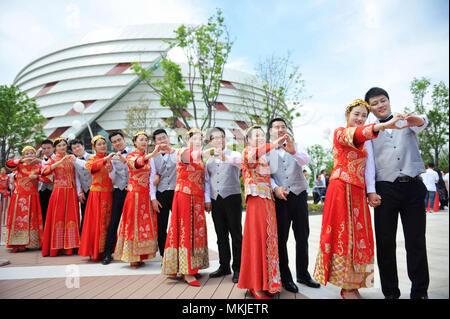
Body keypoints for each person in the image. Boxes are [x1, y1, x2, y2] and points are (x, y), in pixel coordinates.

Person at [313, 99, 405, 299]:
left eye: (364, 116)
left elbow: (368, 162)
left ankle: (353, 284)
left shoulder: (365, 140)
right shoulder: (341, 133)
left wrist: (370, 191)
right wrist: (384, 125)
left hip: (357, 191)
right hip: (341, 189)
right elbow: (357, 133)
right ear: (347, 115)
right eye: (356, 114)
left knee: (359, 237)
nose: (360, 118)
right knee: (344, 236)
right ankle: (345, 287)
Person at [365, 87, 430, 299]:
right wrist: (371, 191)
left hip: (412, 186)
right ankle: (390, 293)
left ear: (389, 101)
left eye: (383, 100)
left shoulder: (405, 120)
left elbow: (423, 123)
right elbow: (369, 165)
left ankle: (420, 292)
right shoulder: (370, 131)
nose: (380, 105)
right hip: (385, 189)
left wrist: (416, 118)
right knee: (385, 244)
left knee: (416, 241)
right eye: (375, 103)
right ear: (370, 109)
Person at [266, 118, 320, 293]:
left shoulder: (297, 145)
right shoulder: (266, 152)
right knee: (281, 239)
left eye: (283, 126)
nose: (280, 129)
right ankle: (285, 277)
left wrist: (293, 151)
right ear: (270, 131)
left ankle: (303, 274)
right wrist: (275, 188)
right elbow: (267, 176)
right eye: (276, 127)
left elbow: (305, 161)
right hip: (281, 199)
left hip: (299, 195)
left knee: (302, 236)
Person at [237, 125, 286, 299]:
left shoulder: (264, 159)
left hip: (268, 201)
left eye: (261, 135)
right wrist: (273, 144)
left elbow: (269, 177)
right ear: (248, 140)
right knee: (256, 239)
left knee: (268, 239)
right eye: (255, 135)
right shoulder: (247, 153)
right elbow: (253, 156)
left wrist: (278, 188)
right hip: (256, 201)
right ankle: (254, 284)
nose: (259, 137)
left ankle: (267, 282)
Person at [161, 128, 210, 287]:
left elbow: (204, 179)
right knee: (185, 230)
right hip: (184, 195)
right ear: (188, 140)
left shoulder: (201, 158)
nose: (198, 142)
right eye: (194, 139)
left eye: (200, 139)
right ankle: (186, 271)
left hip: (197, 197)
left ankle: (194, 266)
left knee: (197, 231)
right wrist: (204, 152)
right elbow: (190, 157)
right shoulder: (182, 152)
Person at [114, 131, 162, 268]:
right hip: (134, 195)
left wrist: (157, 175)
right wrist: (151, 155)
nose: (144, 142)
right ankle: (132, 256)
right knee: (133, 225)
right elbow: (137, 163)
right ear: (134, 142)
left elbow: (153, 172)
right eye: (141, 139)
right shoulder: (131, 156)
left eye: (146, 140)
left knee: (144, 225)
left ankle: (142, 254)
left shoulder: (148, 157)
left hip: (146, 195)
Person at [204, 127, 243, 283]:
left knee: (236, 234)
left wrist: (226, 158)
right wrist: (207, 199)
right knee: (221, 235)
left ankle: (238, 268)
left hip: (232, 197)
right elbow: (207, 181)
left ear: (225, 139)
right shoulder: (209, 160)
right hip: (216, 199)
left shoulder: (235, 155)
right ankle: (224, 266)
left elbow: (241, 164)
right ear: (210, 141)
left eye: (222, 137)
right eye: (215, 138)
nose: (219, 140)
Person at [41, 138, 81, 257]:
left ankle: (71, 247)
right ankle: (57, 247)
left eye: (64, 145)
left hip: (71, 192)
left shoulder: (71, 158)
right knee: (58, 218)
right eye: (59, 146)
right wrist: (59, 162)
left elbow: (77, 174)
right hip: (59, 192)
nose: (62, 147)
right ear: (55, 148)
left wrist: (79, 191)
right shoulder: (52, 159)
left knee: (71, 217)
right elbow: (44, 172)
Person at [79, 136, 115, 261]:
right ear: (94, 147)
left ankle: (107, 250)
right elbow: (93, 168)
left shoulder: (112, 158)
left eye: (104, 143)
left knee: (109, 222)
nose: (103, 146)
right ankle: (96, 250)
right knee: (97, 222)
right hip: (97, 195)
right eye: (99, 144)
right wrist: (106, 159)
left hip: (110, 194)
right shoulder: (92, 159)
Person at [5, 146, 44, 252]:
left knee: (32, 221)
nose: (29, 155)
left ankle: (31, 244)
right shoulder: (19, 165)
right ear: (23, 156)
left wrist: (37, 177)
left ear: (35, 155)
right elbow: (8, 164)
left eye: (31, 153)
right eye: (27, 154)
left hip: (33, 197)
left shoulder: (39, 166)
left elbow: (48, 178)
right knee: (18, 221)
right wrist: (21, 160)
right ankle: (17, 244)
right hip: (19, 198)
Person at [102, 131, 131, 265]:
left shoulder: (133, 153)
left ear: (124, 139)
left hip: (132, 192)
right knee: (113, 222)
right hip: (118, 191)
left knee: (133, 223)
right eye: (114, 142)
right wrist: (110, 171)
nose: (117, 143)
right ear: (112, 144)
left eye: (119, 140)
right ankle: (108, 253)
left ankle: (134, 254)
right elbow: (113, 179)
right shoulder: (111, 157)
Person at [149, 128, 177, 258]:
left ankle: (178, 253)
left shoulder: (177, 153)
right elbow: (152, 178)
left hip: (176, 193)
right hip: (161, 194)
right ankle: (164, 255)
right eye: (159, 139)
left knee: (177, 224)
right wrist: (153, 198)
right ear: (155, 142)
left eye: (164, 137)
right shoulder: (153, 158)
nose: (162, 140)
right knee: (162, 225)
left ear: (168, 138)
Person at [69, 138, 93, 232]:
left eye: (78, 146)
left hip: (95, 189)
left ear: (83, 146)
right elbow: (77, 177)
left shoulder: (93, 157)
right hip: (85, 190)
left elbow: (90, 166)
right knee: (84, 214)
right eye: (74, 148)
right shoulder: (74, 161)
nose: (77, 149)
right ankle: (83, 238)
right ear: (72, 151)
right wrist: (79, 192)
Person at [38, 139, 54, 226]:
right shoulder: (41, 160)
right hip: (42, 190)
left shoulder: (57, 159)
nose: (46, 150)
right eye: (44, 148)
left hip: (54, 190)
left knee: (53, 214)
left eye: (48, 148)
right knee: (43, 213)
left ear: (53, 148)